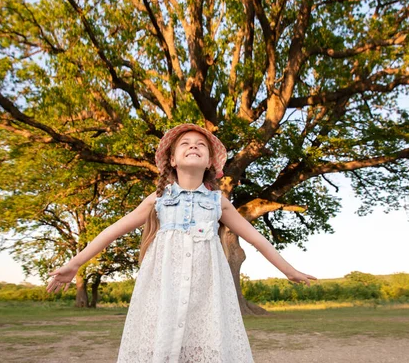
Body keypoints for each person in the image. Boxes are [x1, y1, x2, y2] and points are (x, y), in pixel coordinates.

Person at [47, 123, 317, 362]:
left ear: (211, 162)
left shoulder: (218, 203)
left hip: (207, 288)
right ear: (173, 160)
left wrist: (288, 270)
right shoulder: (158, 199)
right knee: (162, 344)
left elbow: (256, 238)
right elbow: (112, 231)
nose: (193, 147)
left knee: (204, 343)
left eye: (201, 145)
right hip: (164, 286)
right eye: (185, 144)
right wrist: (75, 263)